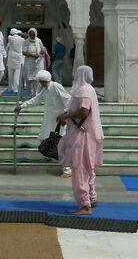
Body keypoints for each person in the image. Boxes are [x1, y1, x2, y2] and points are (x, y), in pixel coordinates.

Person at [57, 65, 104, 216]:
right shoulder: (90, 89)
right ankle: (92, 197)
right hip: (88, 133)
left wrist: (67, 116)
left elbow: (84, 111)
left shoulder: (83, 90)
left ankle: (84, 205)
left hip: (83, 135)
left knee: (79, 169)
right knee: (88, 167)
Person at [15, 70, 72, 178]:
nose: (40, 83)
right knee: (43, 139)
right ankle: (51, 155)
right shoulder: (45, 90)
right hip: (49, 121)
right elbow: (36, 100)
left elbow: (68, 100)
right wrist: (22, 106)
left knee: (60, 145)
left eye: (40, 81)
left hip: (59, 122)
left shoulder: (56, 86)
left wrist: (65, 115)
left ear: (42, 81)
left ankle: (67, 170)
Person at [21, 28, 43, 96]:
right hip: (29, 63)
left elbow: (42, 49)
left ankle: (35, 93)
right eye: (30, 34)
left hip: (38, 63)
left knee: (37, 78)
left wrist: (40, 54)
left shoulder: (38, 40)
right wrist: (33, 55)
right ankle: (29, 93)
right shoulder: (26, 41)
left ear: (35, 34)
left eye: (33, 35)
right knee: (28, 78)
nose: (32, 36)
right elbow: (24, 52)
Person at [6, 28, 25, 94]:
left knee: (10, 75)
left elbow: (9, 36)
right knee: (17, 75)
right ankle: (16, 89)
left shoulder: (10, 38)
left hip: (11, 58)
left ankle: (10, 88)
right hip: (18, 58)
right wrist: (22, 34)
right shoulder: (22, 40)